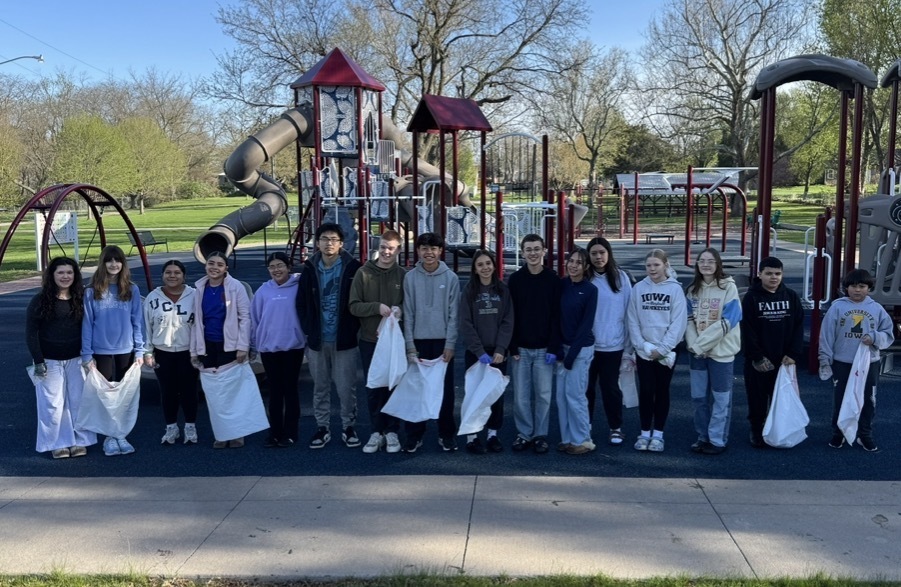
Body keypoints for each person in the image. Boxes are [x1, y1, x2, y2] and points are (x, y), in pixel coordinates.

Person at [297, 222, 362, 449]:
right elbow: (301, 303)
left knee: (346, 388)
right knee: (320, 387)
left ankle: (348, 426)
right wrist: (309, 328)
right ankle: (322, 427)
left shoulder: (353, 268)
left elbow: (360, 300)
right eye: (324, 239)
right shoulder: (309, 269)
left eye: (334, 239)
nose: (329, 243)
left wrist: (353, 329)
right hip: (318, 339)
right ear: (317, 243)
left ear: (341, 243)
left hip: (343, 339)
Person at [25, 257, 96, 459]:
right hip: (49, 361)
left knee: (79, 401)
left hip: (77, 359)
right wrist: (38, 360)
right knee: (52, 405)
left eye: (69, 272)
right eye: (61, 272)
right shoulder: (40, 300)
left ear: (75, 275)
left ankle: (81, 440)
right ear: (52, 275)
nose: (65, 276)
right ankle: (58, 443)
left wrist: (90, 356)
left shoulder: (81, 298)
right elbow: (31, 332)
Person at [818, 269, 895, 452]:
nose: (857, 290)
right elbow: (827, 335)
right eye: (853, 286)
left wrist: (874, 338)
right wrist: (825, 358)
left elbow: (888, 333)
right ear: (846, 288)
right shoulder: (837, 307)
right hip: (842, 362)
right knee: (841, 399)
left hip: (869, 363)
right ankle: (839, 433)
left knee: (868, 399)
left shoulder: (876, 309)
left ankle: (864, 434)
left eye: (862, 286)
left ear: (869, 288)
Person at [81, 245, 144, 457]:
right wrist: (87, 354)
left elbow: (137, 322)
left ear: (123, 264)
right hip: (101, 350)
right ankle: (109, 435)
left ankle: (121, 433)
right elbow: (87, 324)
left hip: (126, 349)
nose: (114, 264)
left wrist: (140, 350)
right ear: (103, 263)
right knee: (106, 394)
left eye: (118, 260)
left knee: (124, 394)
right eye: (109, 260)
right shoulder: (92, 291)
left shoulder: (131, 289)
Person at [402, 232, 460, 453]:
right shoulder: (410, 278)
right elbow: (408, 313)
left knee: (445, 391)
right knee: (416, 389)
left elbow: (454, 315)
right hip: (418, 341)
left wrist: (450, 344)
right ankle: (414, 434)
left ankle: (446, 434)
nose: (429, 253)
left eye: (433, 249)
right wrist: (409, 345)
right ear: (418, 251)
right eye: (424, 248)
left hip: (442, 342)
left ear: (440, 251)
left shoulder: (451, 278)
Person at [349, 230, 405, 454]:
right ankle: (376, 431)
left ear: (398, 250)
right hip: (370, 340)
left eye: (391, 248)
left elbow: (408, 304)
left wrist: (400, 310)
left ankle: (392, 431)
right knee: (374, 386)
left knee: (393, 385)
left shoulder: (403, 275)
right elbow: (353, 306)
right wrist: (376, 307)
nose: (386, 252)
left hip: (394, 341)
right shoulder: (363, 273)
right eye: (383, 247)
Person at [190, 251, 253, 448]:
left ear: (226, 268)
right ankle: (222, 433)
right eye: (211, 263)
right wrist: (194, 351)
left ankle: (237, 433)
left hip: (230, 346)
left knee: (233, 390)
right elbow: (195, 322)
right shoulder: (199, 288)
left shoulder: (236, 287)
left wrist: (242, 346)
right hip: (208, 345)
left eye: (219, 264)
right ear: (205, 265)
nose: (214, 268)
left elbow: (245, 317)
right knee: (215, 392)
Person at [626, 248, 687, 453]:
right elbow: (632, 318)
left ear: (665, 265)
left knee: (661, 390)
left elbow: (678, 323)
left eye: (656, 265)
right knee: (646, 390)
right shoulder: (638, 288)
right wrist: (641, 345)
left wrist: (663, 348)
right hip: (644, 350)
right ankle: (644, 433)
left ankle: (658, 434)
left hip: (666, 351)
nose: (652, 269)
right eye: (649, 265)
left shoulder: (675, 290)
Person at [740, 256, 804, 448]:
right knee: (757, 398)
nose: (774, 277)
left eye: (777, 273)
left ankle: (778, 429)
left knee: (782, 398)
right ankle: (757, 429)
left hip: (784, 359)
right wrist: (757, 357)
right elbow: (747, 330)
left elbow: (798, 326)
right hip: (759, 360)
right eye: (769, 273)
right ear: (760, 274)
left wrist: (793, 353)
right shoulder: (751, 298)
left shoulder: (791, 296)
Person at [684, 248, 742, 455]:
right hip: (697, 354)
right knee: (699, 398)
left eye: (710, 261)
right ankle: (703, 436)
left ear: (718, 264)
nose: (706, 265)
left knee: (721, 399)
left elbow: (729, 320)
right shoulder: (692, 290)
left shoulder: (729, 288)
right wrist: (695, 346)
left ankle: (717, 440)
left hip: (721, 354)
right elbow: (688, 320)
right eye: (702, 261)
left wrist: (702, 345)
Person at [508, 234, 561, 455]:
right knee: (520, 396)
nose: (533, 253)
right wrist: (512, 345)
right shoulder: (515, 280)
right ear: (522, 253)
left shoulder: (553, 279)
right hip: (521, 348)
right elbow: (509, 315)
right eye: (528, 249)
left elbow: (557, 316)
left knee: (543, 395)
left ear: (544, 251)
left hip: (544, 348)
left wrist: (554, 347)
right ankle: (524, 433)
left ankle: (540, 434)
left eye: (537, 249)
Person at [459, 249, 514, 454]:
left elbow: (508, 321)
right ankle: (472, 436)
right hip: (476, 353)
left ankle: (492, 434)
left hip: (497, 352)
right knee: (474, 394)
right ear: (475, 269)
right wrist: (478, 350)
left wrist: (501, 349)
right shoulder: (469, 291)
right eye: (480, 264)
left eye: (488, 263)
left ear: (494, 265)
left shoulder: (503, 290)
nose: (485, 268)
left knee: (495, 395)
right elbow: (465, 323)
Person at [252, 252, 305, 448]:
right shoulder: (263, 291)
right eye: (272, 267)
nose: (276, 270)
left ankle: (291, 433)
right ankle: (274, 432)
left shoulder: (298, 287)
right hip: (269, 349)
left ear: (288, 267)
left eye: (280, 265)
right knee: (275, 392)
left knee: (290, 390)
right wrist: (254, 344)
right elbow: (255, 318)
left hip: (293, 347)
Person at [143, 260, 199, 445]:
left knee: (189, 390)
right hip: (163, 351)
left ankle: (190, 426)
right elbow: (147, 326)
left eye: (177, 272)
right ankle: (171, 427)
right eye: (168, 272)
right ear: (162, 275)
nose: (172, 276)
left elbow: (200, 325)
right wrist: (148, 351)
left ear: (184, 276)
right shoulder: (153, 297)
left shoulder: (195, 295)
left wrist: (200, 350)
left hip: (188, 351)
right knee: (167, 391)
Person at [585, 236, 632, 446]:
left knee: (611, 388)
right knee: (586, 389)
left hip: (613, 344)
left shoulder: (621, 278)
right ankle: (585, 426)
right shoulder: (585, 278)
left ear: (609, 253)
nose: (598, 257)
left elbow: (630, 311)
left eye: (602, 252)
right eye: (594, 253)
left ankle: (615, 427)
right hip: (588, 346)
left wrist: (629, 347)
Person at [556, 248, 598, 455]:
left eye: (579, 263)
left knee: (575, 395)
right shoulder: (562, 285)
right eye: (571, 261)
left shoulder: (590, 290)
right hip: (562, 349)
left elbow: (586, 325)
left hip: (580, 350)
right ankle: (567, 439)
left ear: (586, 267)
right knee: (561, 397)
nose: (573, 265)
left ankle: (583, 440)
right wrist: (558, 349)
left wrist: (571, 355)